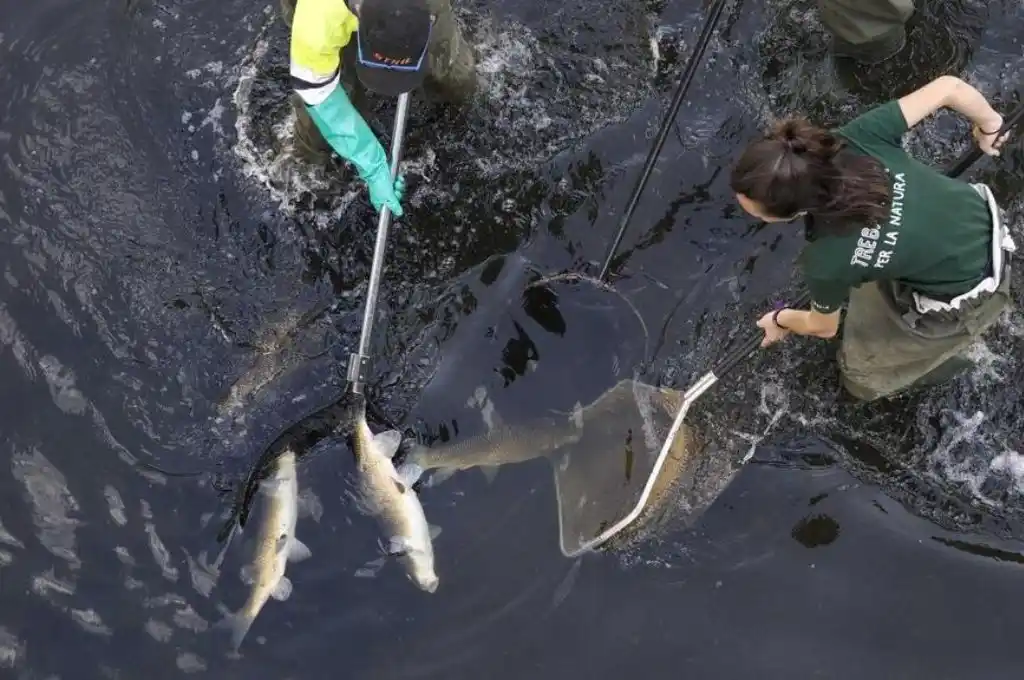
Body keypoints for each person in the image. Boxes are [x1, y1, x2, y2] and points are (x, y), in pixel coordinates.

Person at [729, 75, 1015, 401]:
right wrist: (991, 124)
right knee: (865, 277)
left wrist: (779, 320)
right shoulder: (857, 137)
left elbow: (823, 327)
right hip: (983, 219)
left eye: (757, 211)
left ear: (791, 211)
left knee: (860, 378)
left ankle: (948, 359)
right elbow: (950, 88)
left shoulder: (825, 260)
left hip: (970, 292)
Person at [281, 0, 478, 217]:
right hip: (334, 11)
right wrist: (372, 164)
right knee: (323, 114)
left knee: (454, 74)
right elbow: (316, 91)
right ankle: (307, 158)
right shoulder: (319, 16)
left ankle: (457, 92)